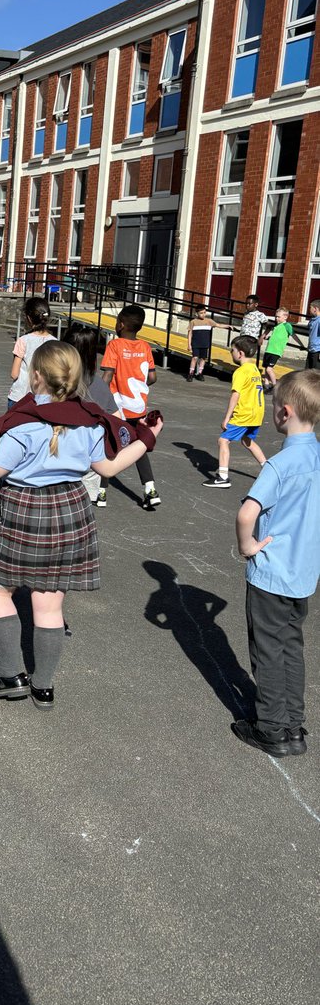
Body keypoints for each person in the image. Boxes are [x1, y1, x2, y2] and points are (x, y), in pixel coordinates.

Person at [0, 340, 162, 706]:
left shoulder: (22, 427)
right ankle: (43, 686)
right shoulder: (90, 423)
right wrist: (149, 437)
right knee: (49, 604)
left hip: (24, 510)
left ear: (36, 376)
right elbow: (109, 467)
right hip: (72, 509)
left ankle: (11, 676)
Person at [232, 370, 320, 757]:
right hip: (303, 572)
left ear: (284, 413)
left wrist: (247, 546)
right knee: (290, 646)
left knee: (267, 649)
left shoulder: (280, 465)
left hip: (272, 573)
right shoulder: (317, 457)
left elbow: (246, 513)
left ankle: (270, 727)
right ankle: (293, 724)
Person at [99, 304, 160, 509]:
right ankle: (150, 489)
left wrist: (97, 397)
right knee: (137, 446)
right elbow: (152, 377)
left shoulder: (114, 346)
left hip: (117, 406)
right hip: (138, 407)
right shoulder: (145, 347)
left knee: (109, 444)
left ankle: (101, 492)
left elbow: (107, 376)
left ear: (121, 324)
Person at [201, 335, 267, 488]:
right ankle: (267, 469)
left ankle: (223, 477)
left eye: (232, 350)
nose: (231, 352)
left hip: (244, 413)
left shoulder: (241, 371)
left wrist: (227, 417)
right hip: (257, 413)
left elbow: (235, 395)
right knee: (247, 440)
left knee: (223, 440)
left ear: (240, 353)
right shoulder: (255, 369)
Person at [62, 323, 114, 504]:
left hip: (60, 457)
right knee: (84, 510)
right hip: (91, 457)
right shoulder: (99, 384)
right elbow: (114, 418)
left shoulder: (56, 383)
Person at [7, 297, 55, 408]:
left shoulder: (23, 341)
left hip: (20, 395)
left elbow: (14, 374)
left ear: (28, 318)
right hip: (45, 397)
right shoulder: (55, 342)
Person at [261, 307, 302, 391]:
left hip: (276, 351)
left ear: (285, 317)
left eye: (278, 317)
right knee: (266, 368)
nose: (276, 318)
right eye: (276, 316)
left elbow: (293, 335)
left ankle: (276, 386)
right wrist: (267, 337)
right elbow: (276, 336)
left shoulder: (287, 325)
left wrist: (301, 344)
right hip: (269, 349)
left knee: (269, 369)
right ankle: (266, 383)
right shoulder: (276, 325)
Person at [186, 305, 223, 381]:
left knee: (203, 358)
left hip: (204, 343)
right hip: (195, 343)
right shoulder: (193, 322)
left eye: (204, 312)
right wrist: (189, 344)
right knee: (195, 357)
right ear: (197, 314)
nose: (203, 314)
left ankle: (200, 373)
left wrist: (228, 326)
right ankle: (191, 373)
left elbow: (218, 325)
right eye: (201, 313)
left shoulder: (209, 321)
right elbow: (190, 333)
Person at [306, 300, 320, 371]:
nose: (309, 309)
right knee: (307, 372)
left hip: (317, 351)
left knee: (315, 373)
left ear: (315, 309)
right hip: (311, 349)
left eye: (310, 307)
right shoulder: (312, 320)